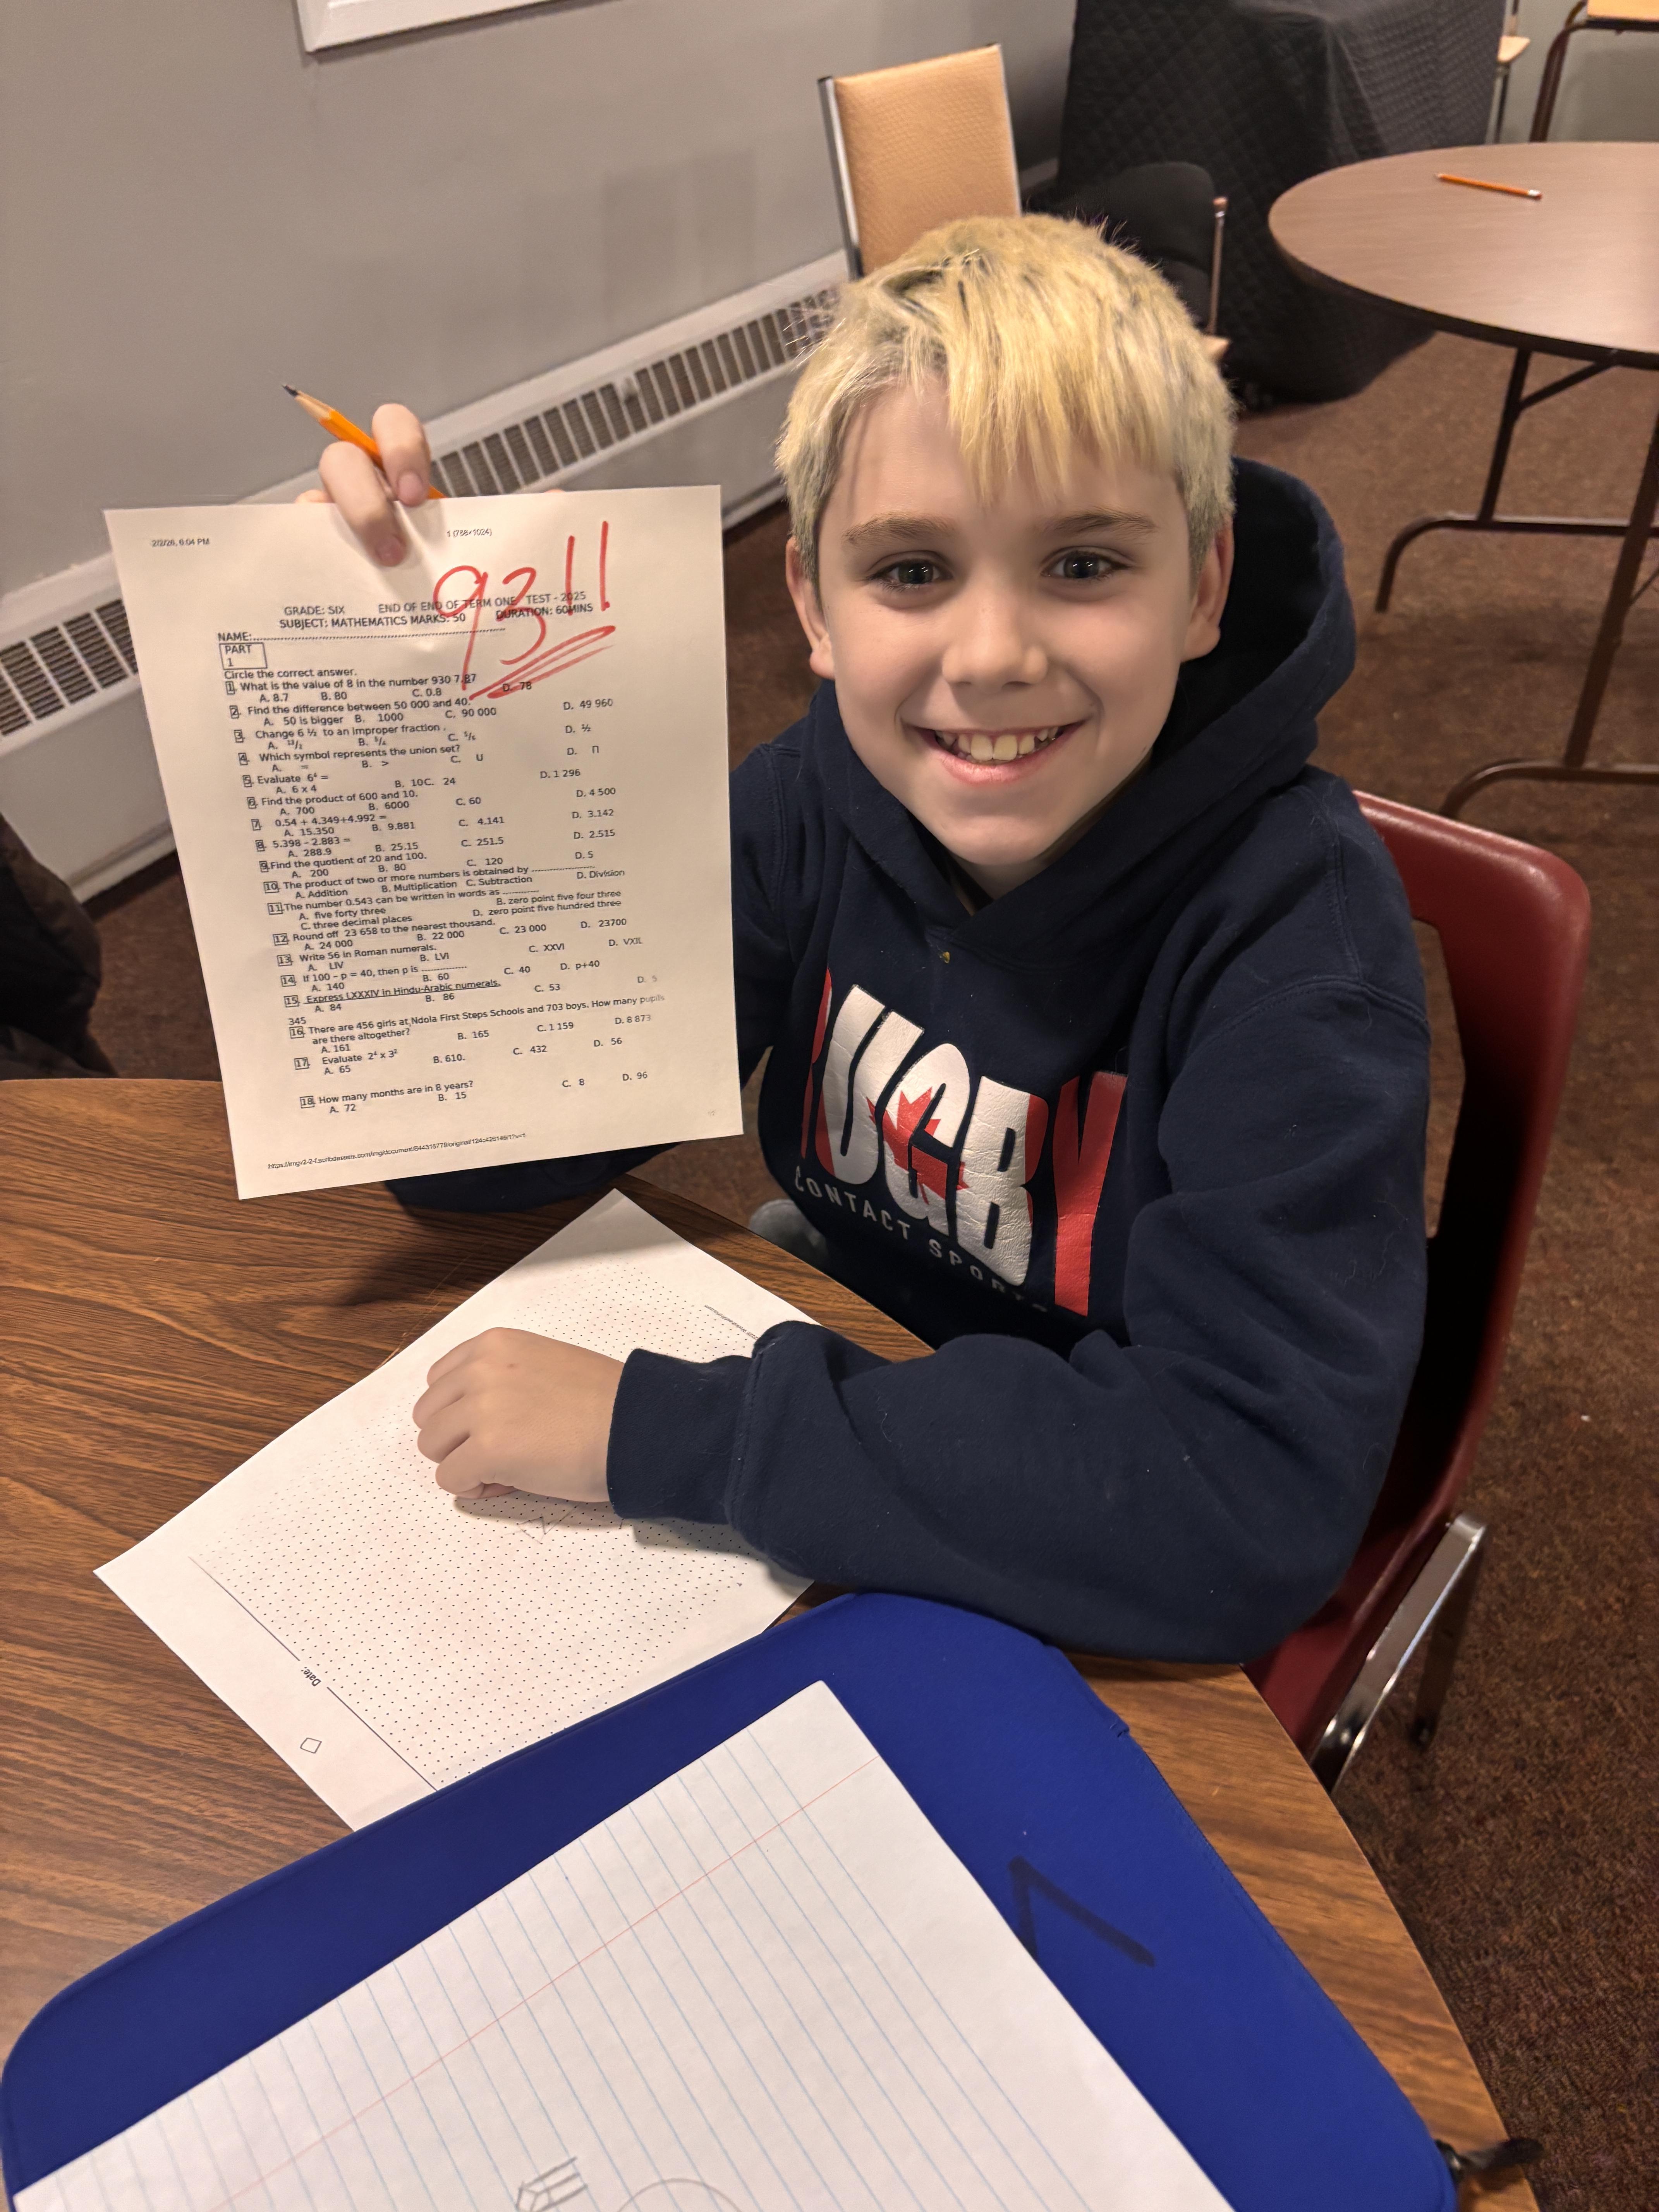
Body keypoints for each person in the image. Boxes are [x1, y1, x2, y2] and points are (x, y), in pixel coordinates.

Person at [311, 215, 1429, 1661]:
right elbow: (484, 1159)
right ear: (812, 605)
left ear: (1204, 587)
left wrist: (672, 1435)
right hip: (842, 1333)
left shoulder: (1298, 950)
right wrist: (438, 727)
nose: (988, 657)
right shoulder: (818, 791)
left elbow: (1236, 1502)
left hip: (1087, 1496)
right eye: (910, 572)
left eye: (1083, 565)